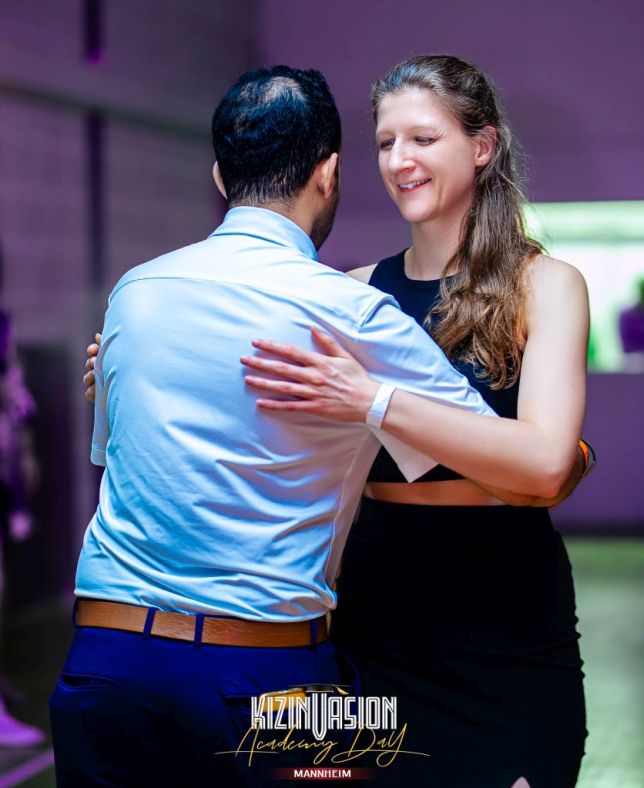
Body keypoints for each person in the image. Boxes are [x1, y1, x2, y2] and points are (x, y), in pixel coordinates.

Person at [55, 64, 524, 787]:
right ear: (328, 174)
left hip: (104, 665)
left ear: (220, 177)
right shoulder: (352, 314)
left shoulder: (133, 293)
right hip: (273, 674)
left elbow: (117, 452)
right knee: (381, 744)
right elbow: (498, 461)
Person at [239, 56, 590, 787]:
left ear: (482, 146)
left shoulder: (546, 285)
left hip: (506, 618)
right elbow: (270, 400)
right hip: (373, 611)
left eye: (423, 139)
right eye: (385, 142)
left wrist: (373, 399)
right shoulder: (354, 290)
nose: (399, 161)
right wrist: (128, 362)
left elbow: (546, 462)